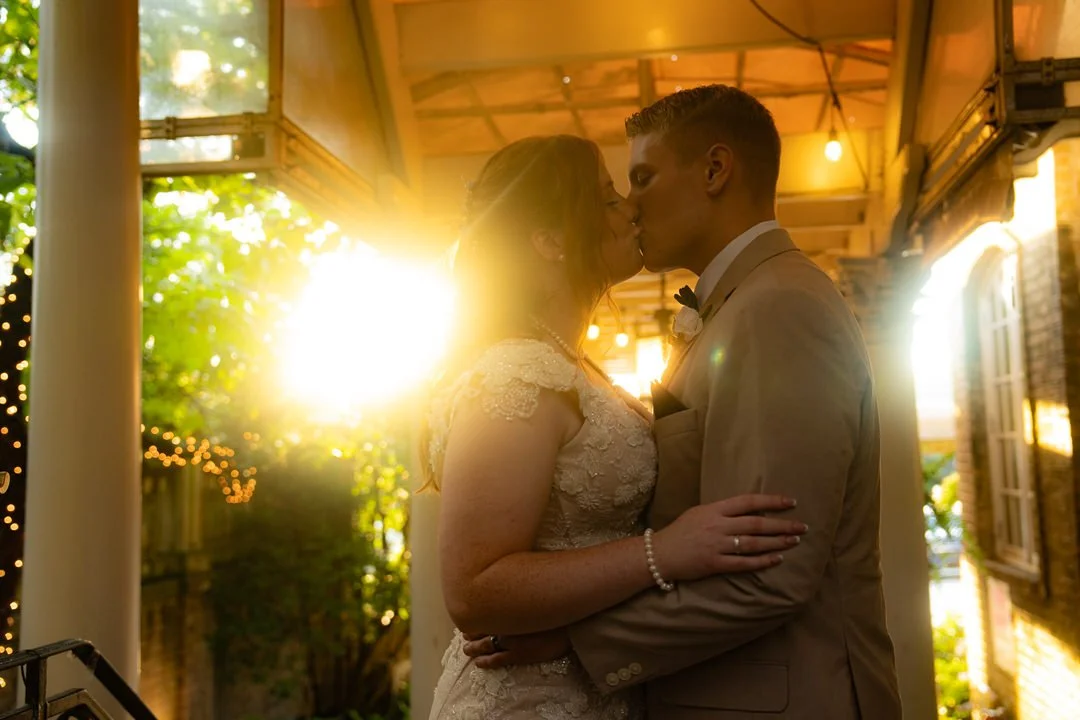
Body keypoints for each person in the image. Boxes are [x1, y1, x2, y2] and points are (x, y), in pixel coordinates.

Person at [463, 86, 903, 719]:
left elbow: (769, 567)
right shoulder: (736, 309)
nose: (629, 207)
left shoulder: (777, 308)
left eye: (640, 178)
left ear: (715, 170)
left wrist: (572, 641)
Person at [421, 134, 807, 720]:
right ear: (549, 239)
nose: (629, 208)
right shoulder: (514, 375)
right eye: (606, 199)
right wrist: (664, 553)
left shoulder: (569, 364)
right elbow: (474, 589)